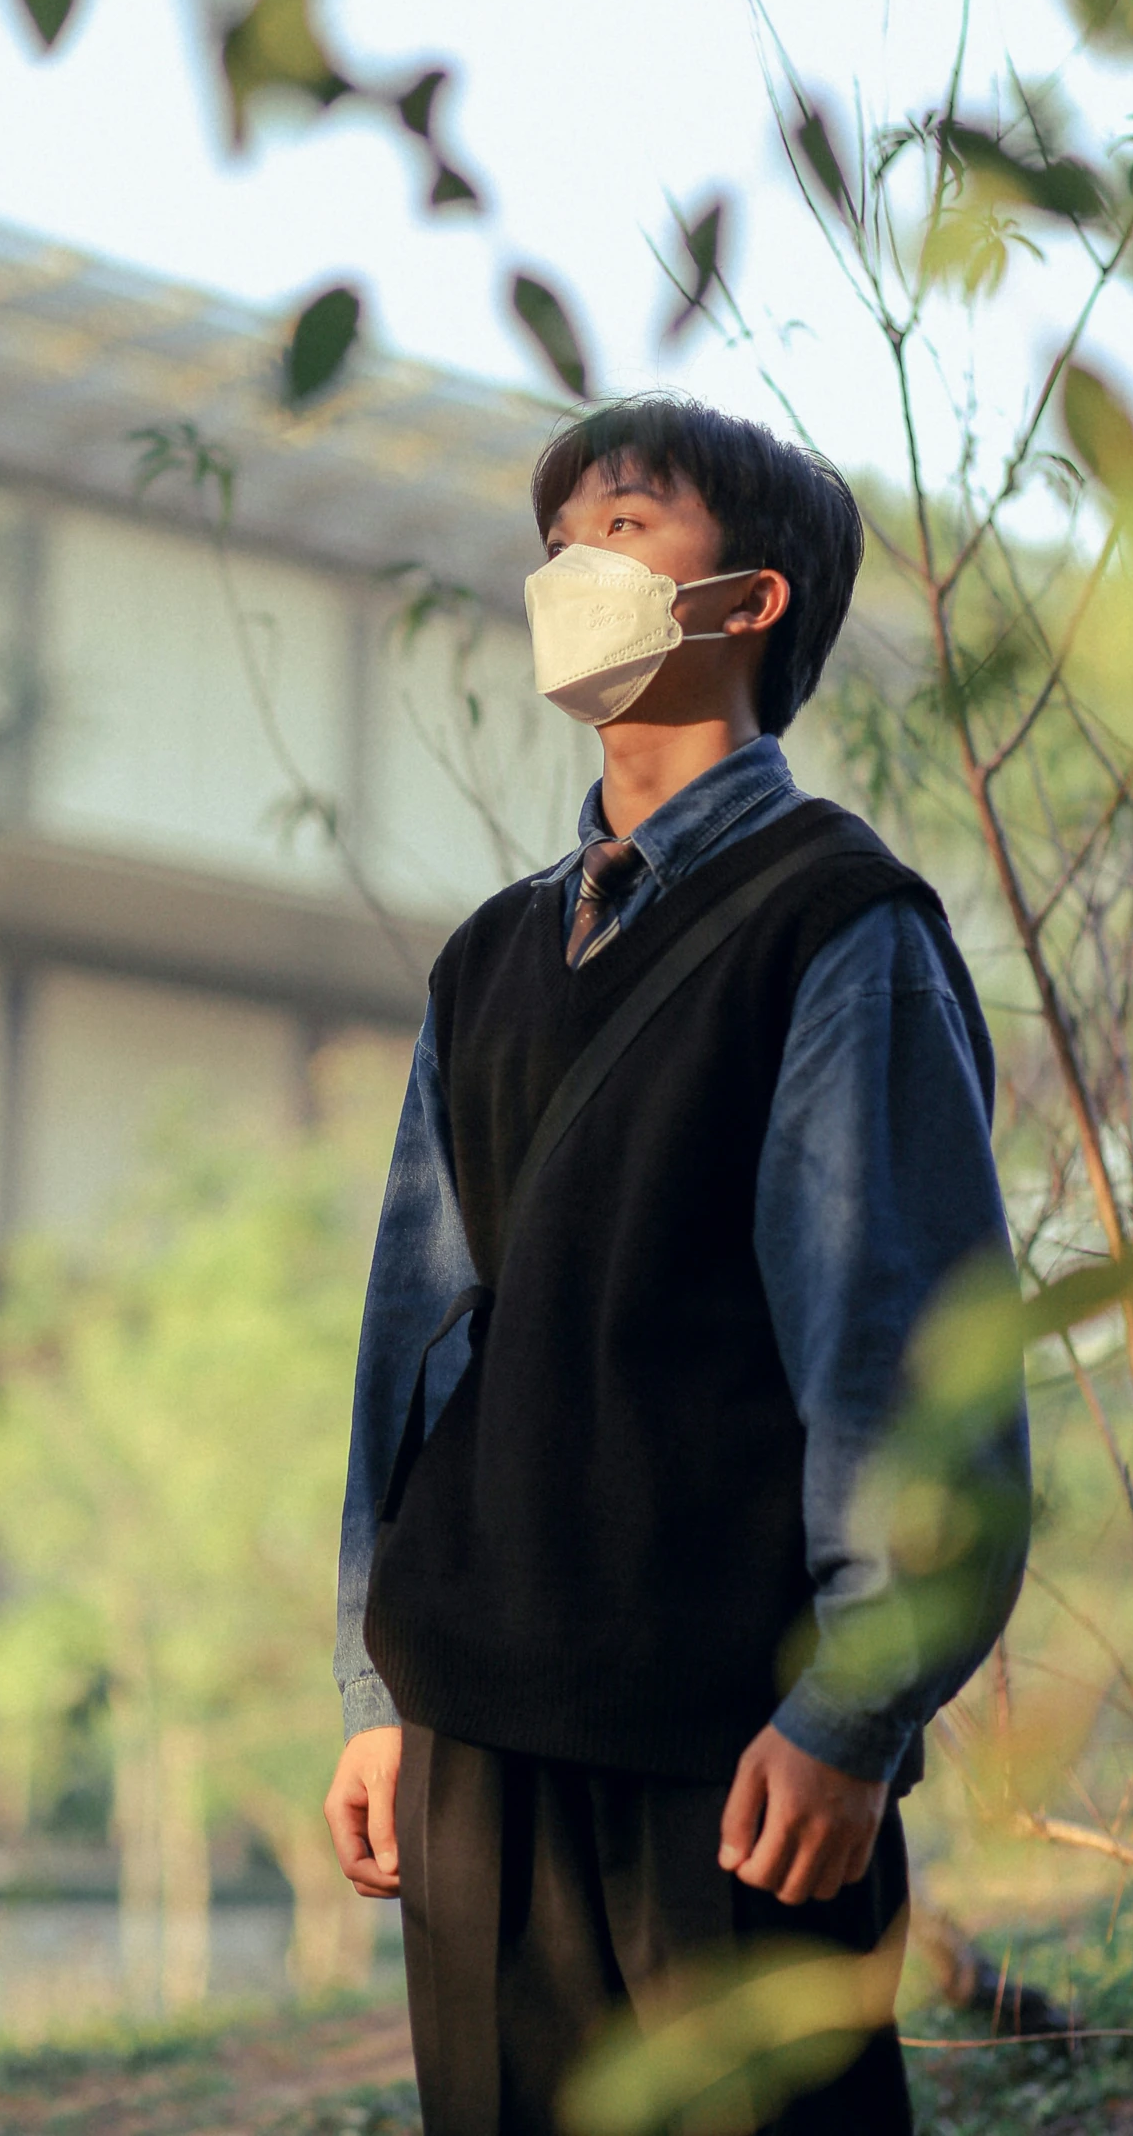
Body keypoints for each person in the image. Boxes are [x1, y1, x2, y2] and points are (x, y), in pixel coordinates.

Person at [324, 395, 1030, 2136]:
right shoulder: (489, 956)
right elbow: (416, 1344)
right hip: (477, 1736)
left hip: (727, 1763)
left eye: (626, 530)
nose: (574, 566)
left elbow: (906, 1356)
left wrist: (854, 1711)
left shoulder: (838, 928)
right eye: (557, 536)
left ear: (754, 602)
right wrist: (375, 1685)